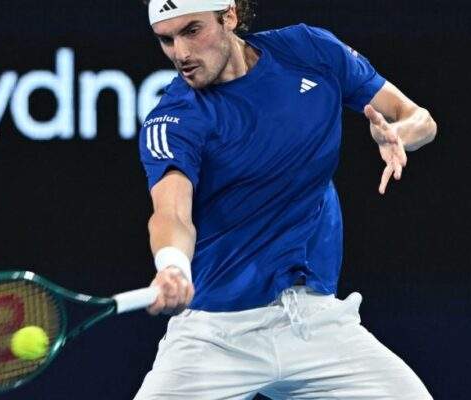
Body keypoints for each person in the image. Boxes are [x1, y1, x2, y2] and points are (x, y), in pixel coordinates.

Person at [136, 1, 436, 398]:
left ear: (229, 16)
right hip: (217, 337)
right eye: (166, 39)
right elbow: (172, 213)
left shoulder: (311, 51)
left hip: (313, 323)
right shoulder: (174, 120)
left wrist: (399, 134)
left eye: (192, 30)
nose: (181, 53)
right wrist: (172, 265)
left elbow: (418, 118)